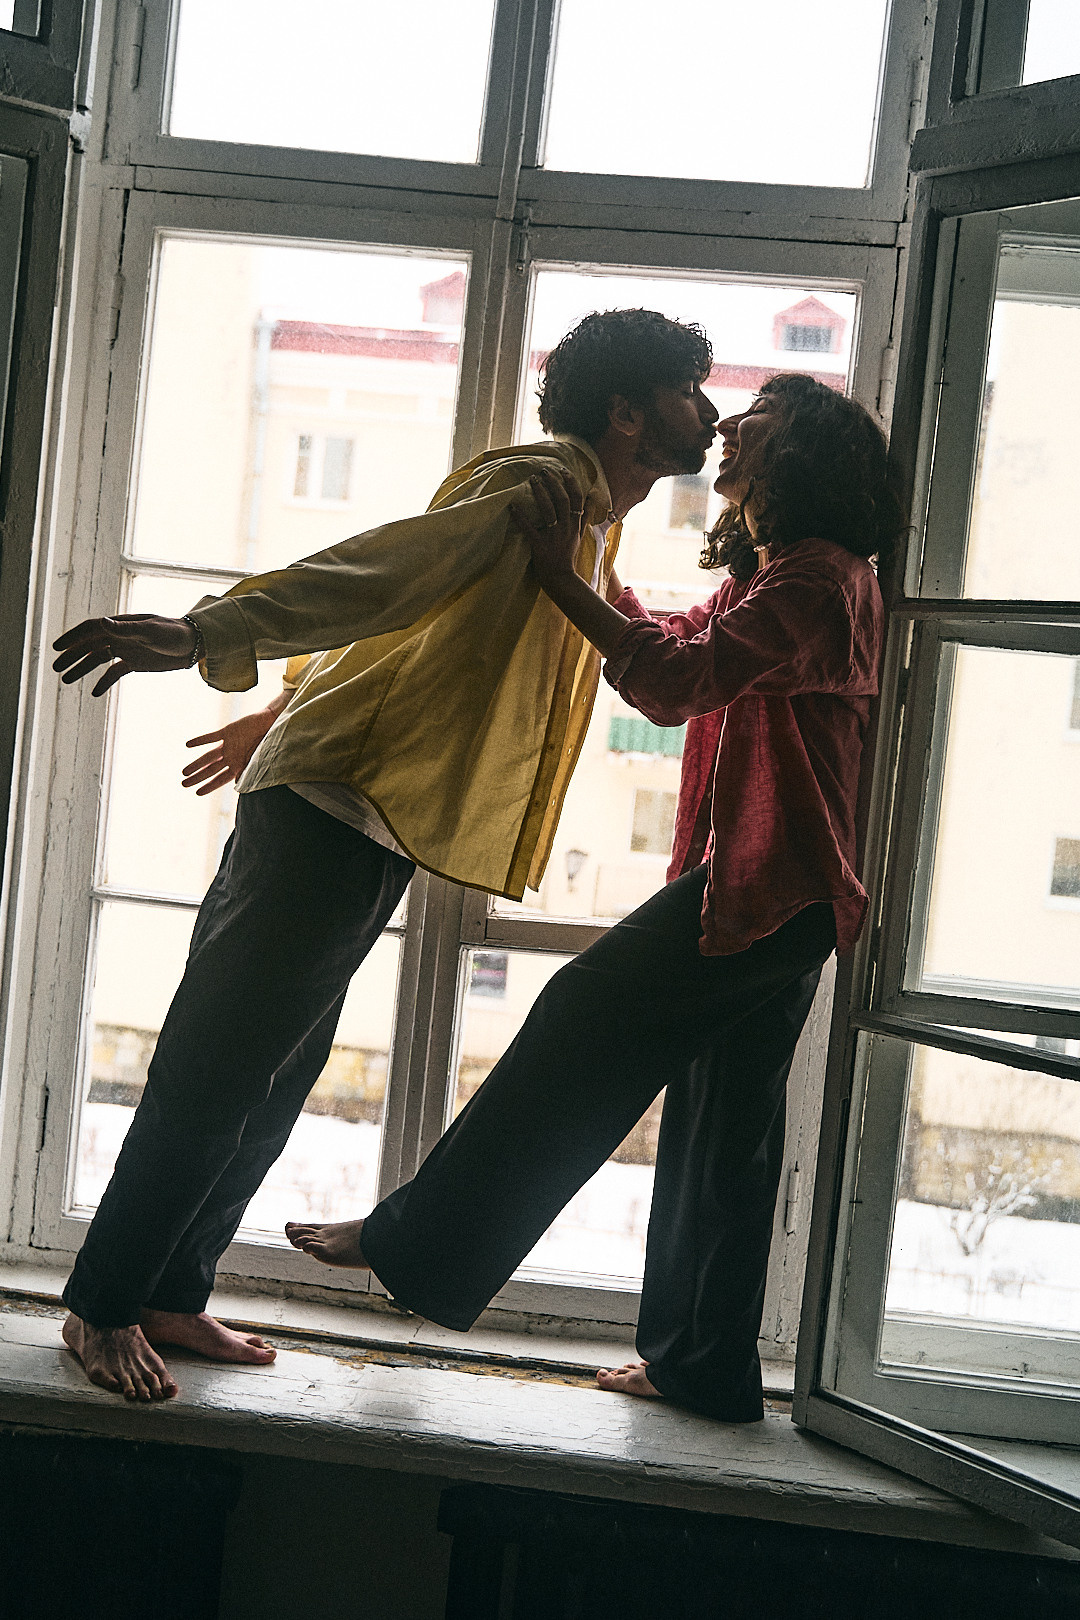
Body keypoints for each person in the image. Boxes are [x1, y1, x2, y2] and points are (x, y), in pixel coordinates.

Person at [51, 308, 720, 1402]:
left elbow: (418, 630)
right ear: (628, 412)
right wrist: (207, 633)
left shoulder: (589, 528)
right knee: (220, 1066)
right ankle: (102, 1304)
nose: (712, 410)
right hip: (330, 806)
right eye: (692, 389)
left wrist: (283, 707)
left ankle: (169, 1289)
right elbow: (383, 574)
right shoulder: (540, 488)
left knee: (274, 1074)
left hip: (364, 811)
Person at [285, 372, 904, 1423]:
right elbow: (667, 639)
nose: (730, 426)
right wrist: (589, 567)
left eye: (757, 418)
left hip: (775, 891)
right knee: (724, 1130)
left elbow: (673, 683)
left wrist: (553, 572)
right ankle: (702, 1370)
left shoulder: (820, 580)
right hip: (777, 895)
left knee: (581, 1012)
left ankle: (411, 1245)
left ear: (801, 454)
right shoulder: (782, 573)